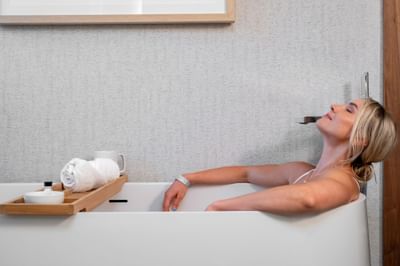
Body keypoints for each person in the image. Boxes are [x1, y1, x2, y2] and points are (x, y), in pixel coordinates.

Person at [162, 98, 397, 215]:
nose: (335, 105)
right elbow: (245, 174)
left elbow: (307, 199)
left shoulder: (343, 183)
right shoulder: (302, 171)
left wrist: (222, 206)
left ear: (360, 138)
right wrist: (186, 178)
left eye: (349, 109)